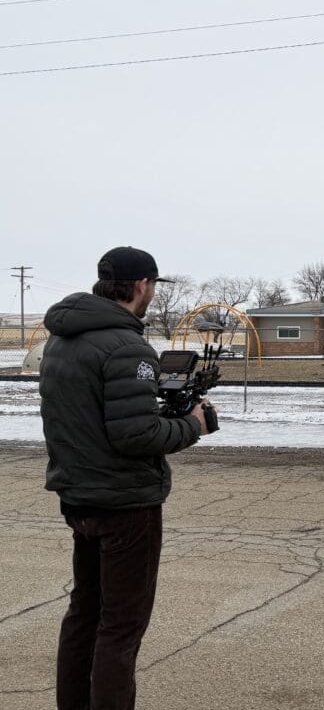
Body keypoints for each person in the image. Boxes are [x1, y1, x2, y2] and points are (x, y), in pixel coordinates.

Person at [39, 247, 214, 710]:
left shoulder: (62, 339)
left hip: (79, 496)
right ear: (142, 286)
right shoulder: (127, 347)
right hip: (124, 504)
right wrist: (193, 425)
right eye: (153, 286)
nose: (153, 294)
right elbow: (136, 435)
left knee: (84, 613)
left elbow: (93, 417)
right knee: (120, 626)